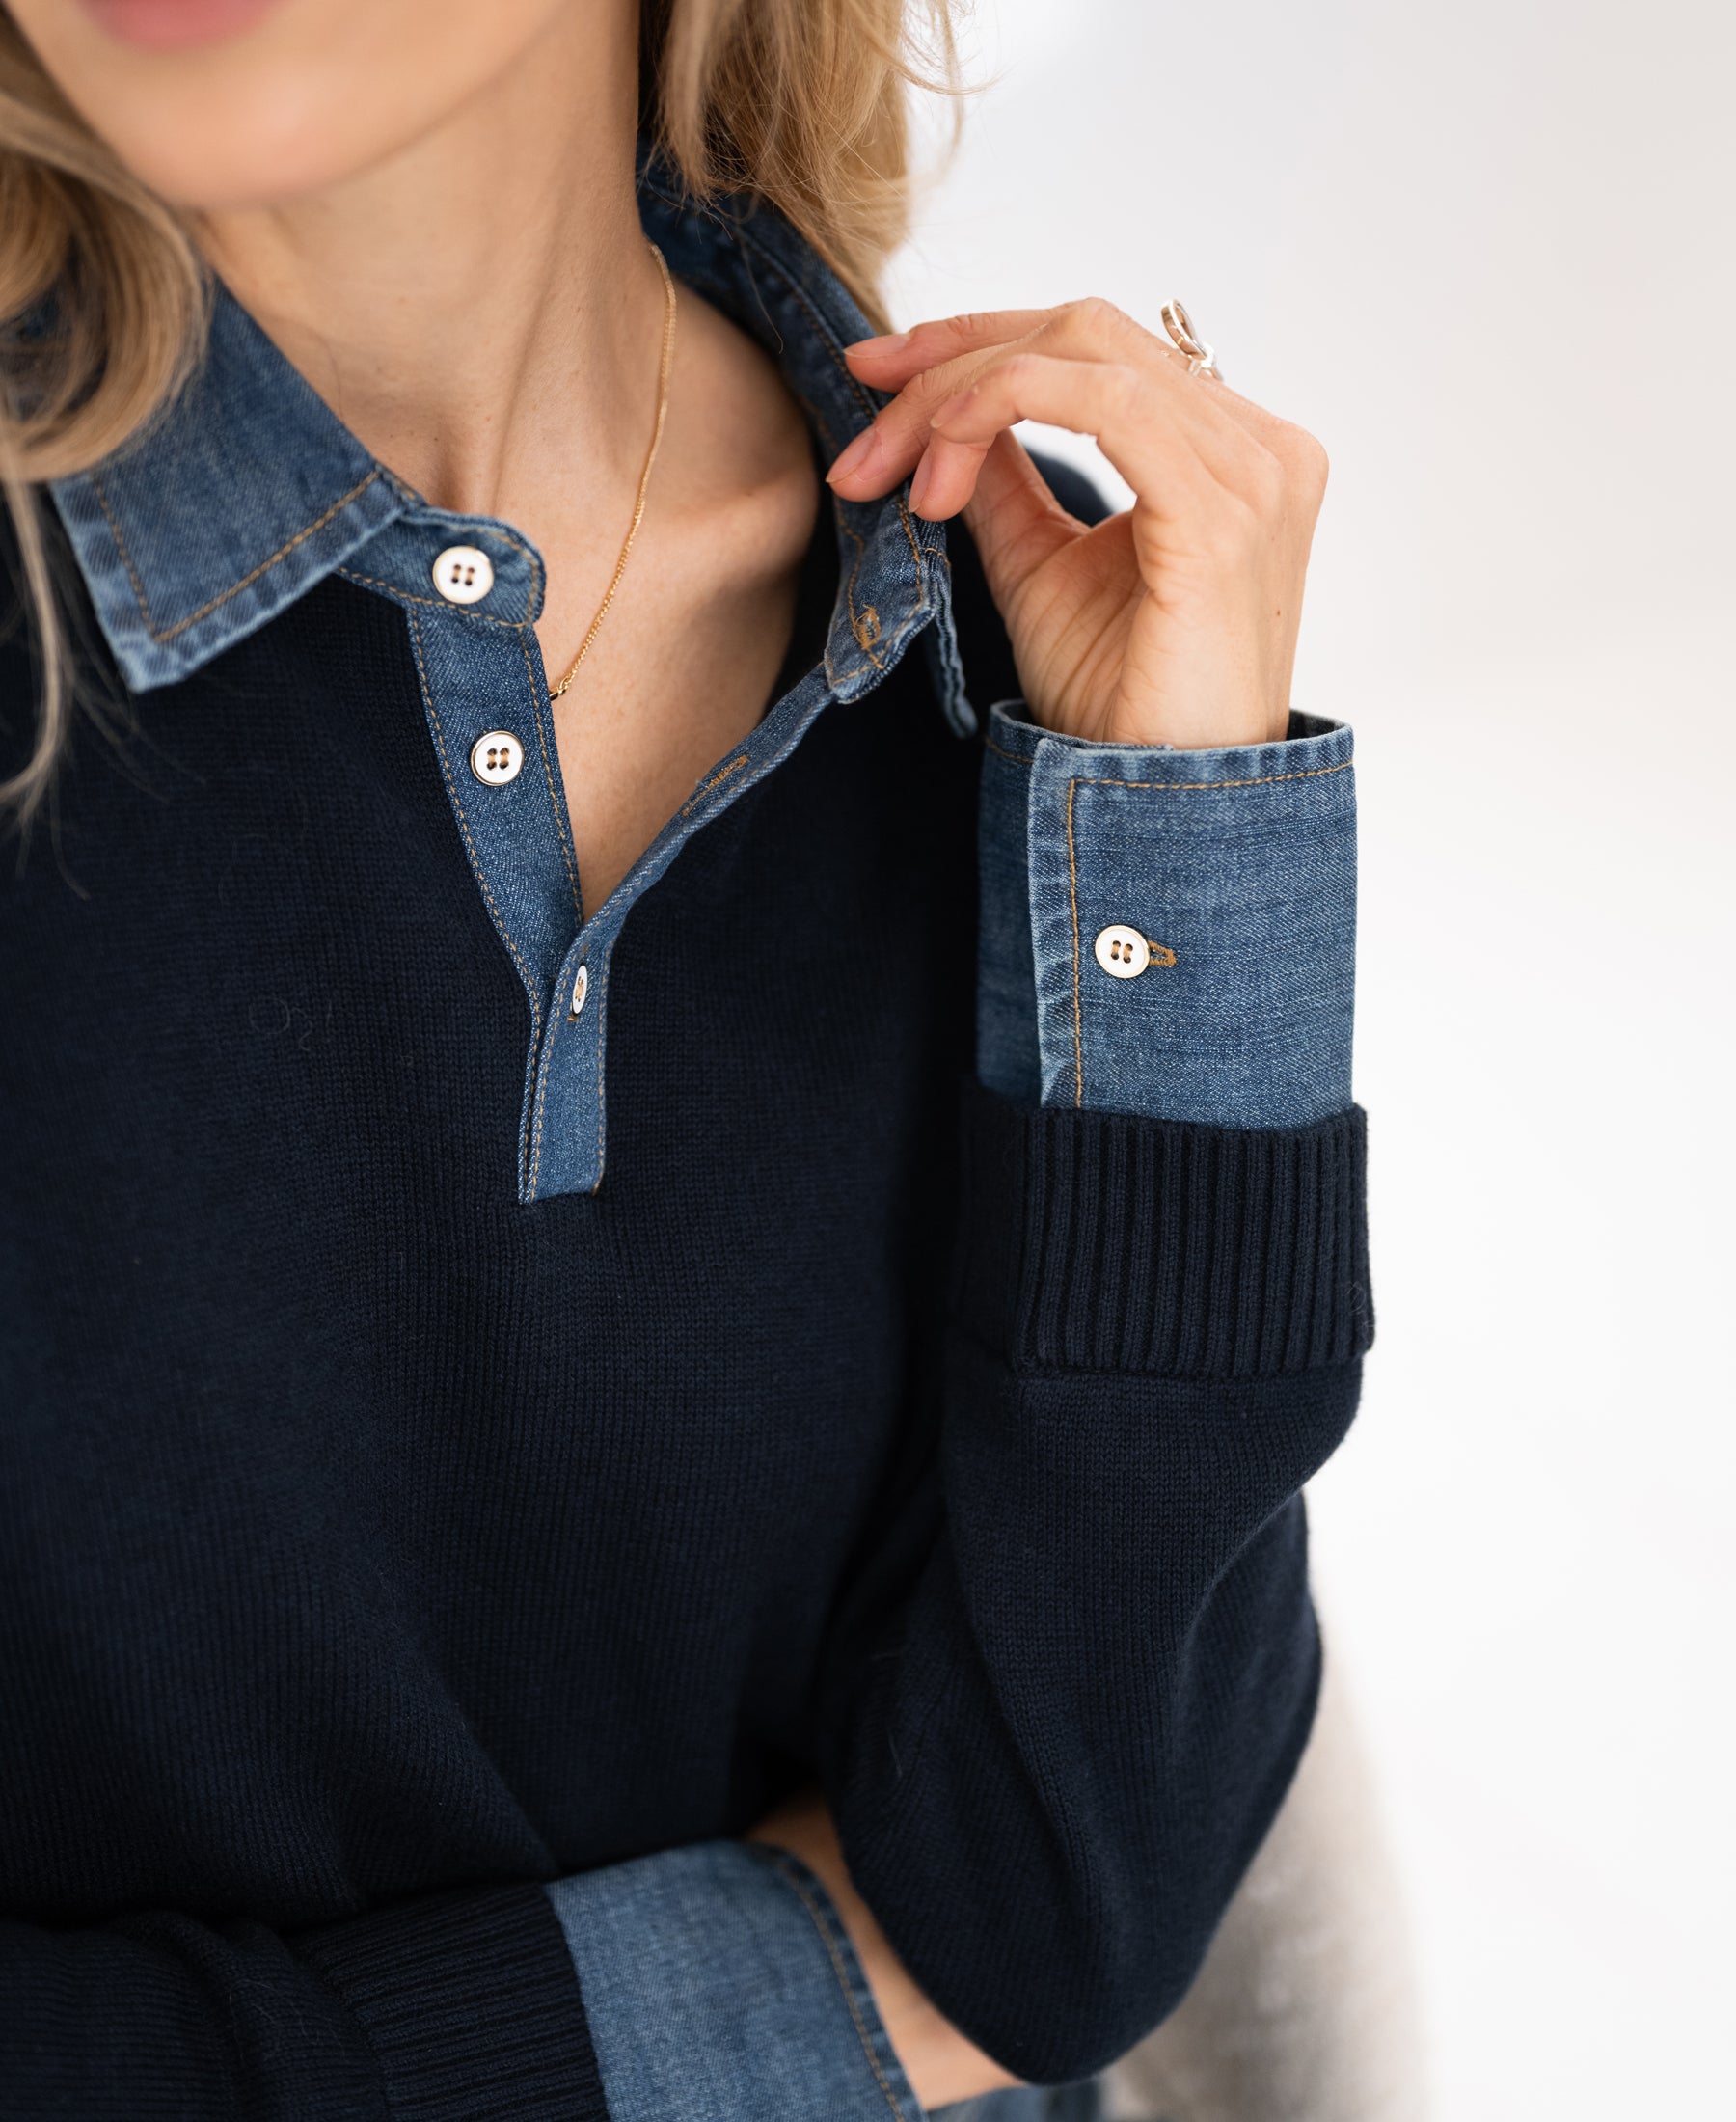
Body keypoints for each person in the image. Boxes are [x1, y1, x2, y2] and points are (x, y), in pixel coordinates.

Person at [0, 2, 1370, 2116]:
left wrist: (1185, 841)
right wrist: (782, 2018)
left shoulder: (990, 646)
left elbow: (1059, 1914)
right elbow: (952, 1993)